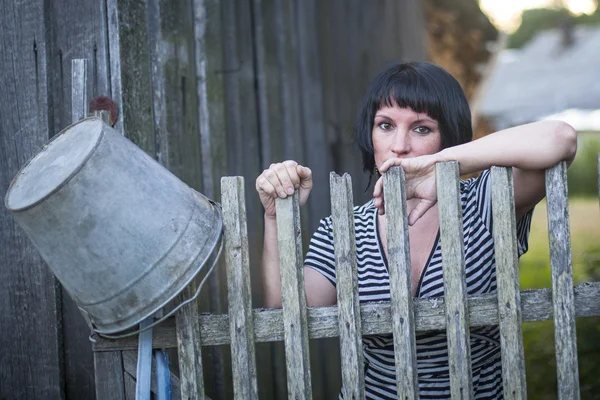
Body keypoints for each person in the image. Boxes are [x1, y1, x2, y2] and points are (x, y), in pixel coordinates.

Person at [255, 62, 577, 399]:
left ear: (448, 137)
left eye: (422, 129)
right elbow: (284, 310)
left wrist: (443, 165)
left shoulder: (485, 203)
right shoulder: (344, 229)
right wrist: (276, 218)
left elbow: (561, 139)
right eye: (386, 125)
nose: (399, 145)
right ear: (371, 134)